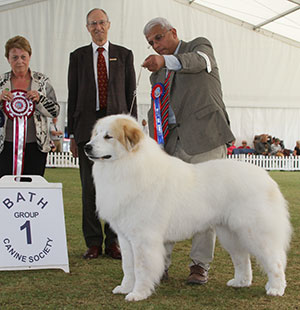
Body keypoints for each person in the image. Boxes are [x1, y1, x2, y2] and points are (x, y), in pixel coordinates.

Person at [142, 17, 235, 285]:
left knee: (206, 205)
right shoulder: (157, 73)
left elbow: (200, 62)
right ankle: (160, 265)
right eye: (150, 43)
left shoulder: (199, 46)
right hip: (172, 144)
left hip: (206, 138)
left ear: (172, 32)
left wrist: (165, 61)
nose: (155, 45)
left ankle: (199, 265)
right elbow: (157, 108)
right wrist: (155, 141)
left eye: (158, 38)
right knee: (165, 205)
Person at [67, 8, 137, 260]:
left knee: (118, 189)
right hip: (87, 131)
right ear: (87, 28)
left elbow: (131, 96)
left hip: (116, 136)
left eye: (101, 23)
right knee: (90, 188)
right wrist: (73, 135)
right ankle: (94, 242)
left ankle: (114, 242)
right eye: (93, 24)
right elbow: (72, 96)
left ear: (109, 25)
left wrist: (132, 133)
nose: (98, 27)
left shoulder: (124, 55)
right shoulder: (77, 57)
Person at [0, 36, 59, 178]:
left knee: (33, 187)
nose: (19, 61)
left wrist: (40, 99)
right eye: (14, 57)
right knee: (5, 189)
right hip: (5, 145)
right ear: (7, 58)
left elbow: (55, 110)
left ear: (29, 56)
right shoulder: (1, 81)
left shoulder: (42, 81)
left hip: (36, 145)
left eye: (23, 56)